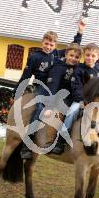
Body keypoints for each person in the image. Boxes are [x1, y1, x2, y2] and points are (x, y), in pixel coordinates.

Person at [14, 18, 86, 159]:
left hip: (55, 87)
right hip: (42, 86)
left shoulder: (57, 54)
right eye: (46, 44)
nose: (48, 46)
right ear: (42, 42)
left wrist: (80, 31)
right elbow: (26, 76)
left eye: (51, 44)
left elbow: (74, 47)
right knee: (40, 108)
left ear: (55, 45)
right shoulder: (35, 56)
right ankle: (26, 144)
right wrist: (17, 91)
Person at [49, 43, 99, 156]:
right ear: (84, 55)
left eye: (93, 56)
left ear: (98, 57)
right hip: (82, 101)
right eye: (87, 55)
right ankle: (61, 141)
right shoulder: (79, 69)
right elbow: (76, 87)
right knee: (71, 112)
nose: (90, 58)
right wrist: (84, 101)